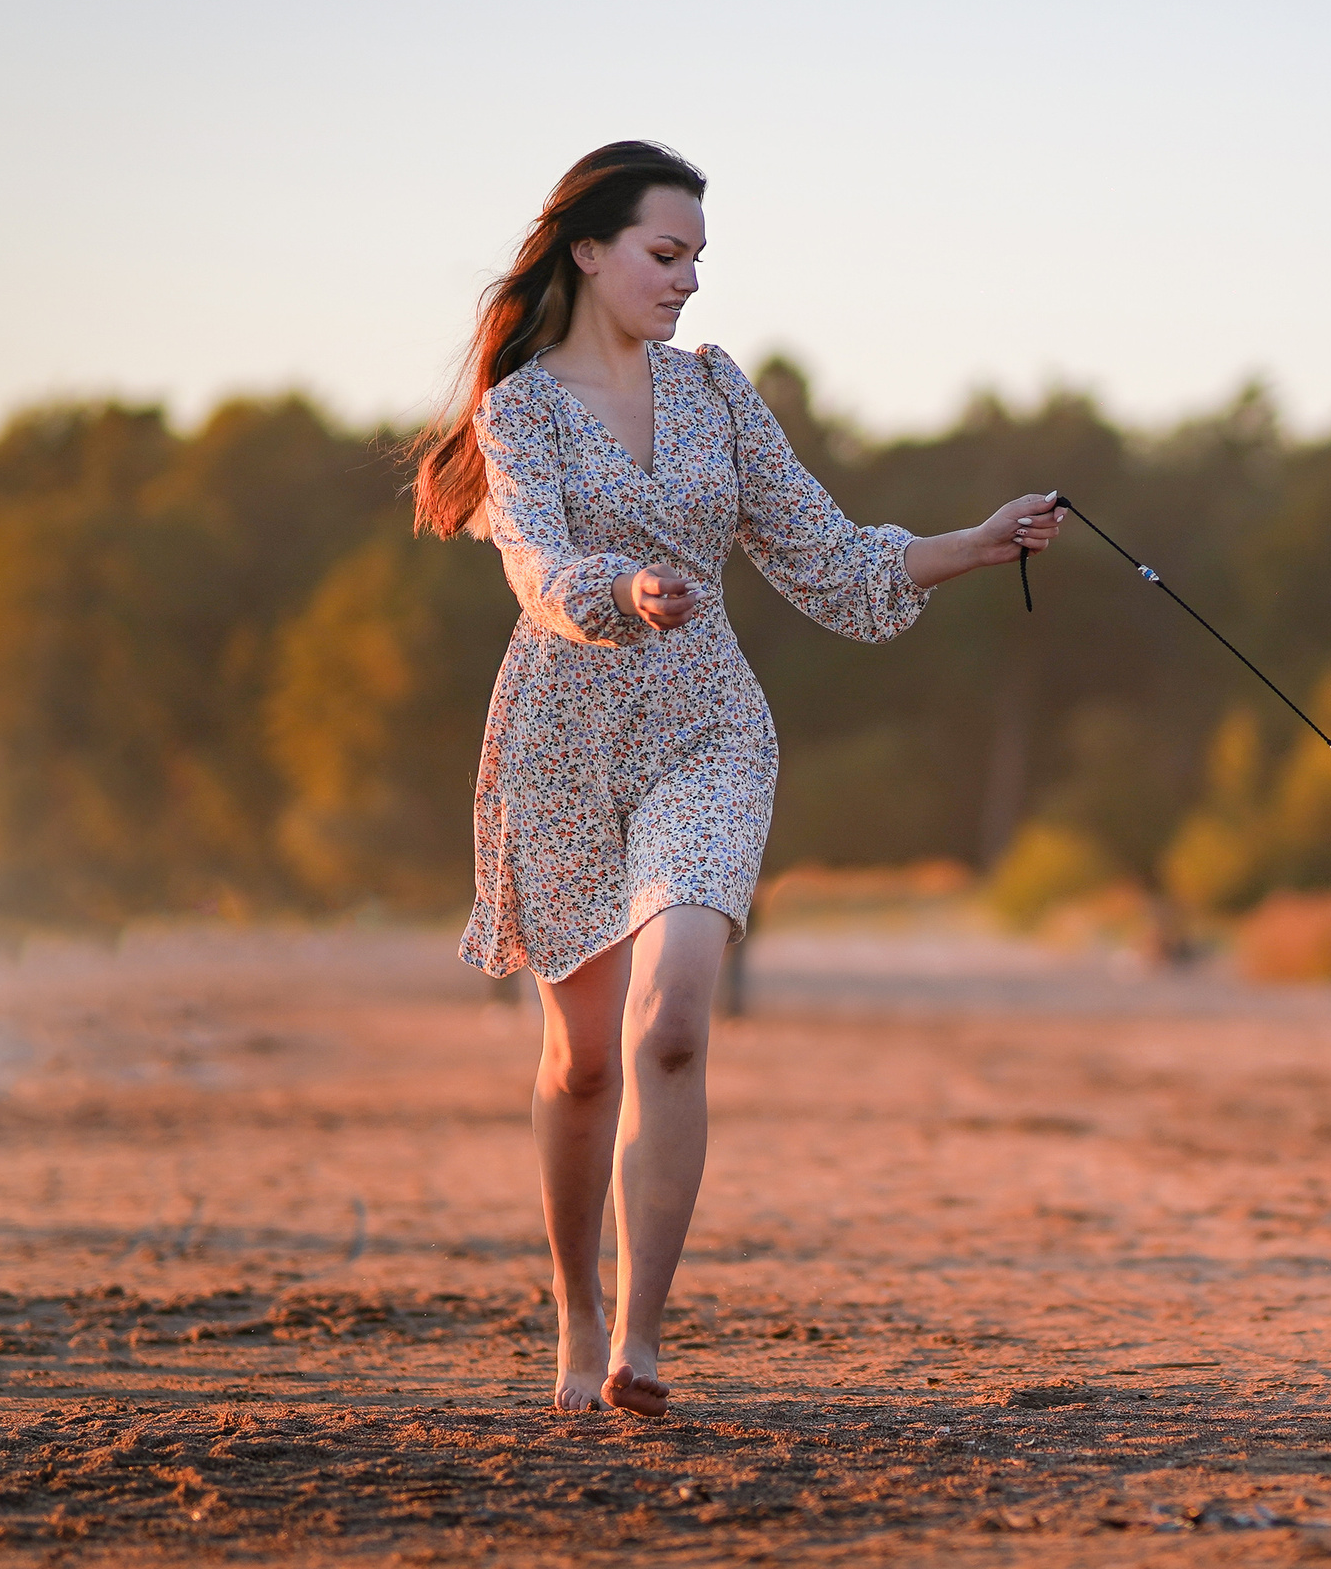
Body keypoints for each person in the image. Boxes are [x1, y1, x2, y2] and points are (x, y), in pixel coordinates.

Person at [409, 140, 1063, 1414]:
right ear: (588, 252)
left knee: (673, 1025)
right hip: (561, 745)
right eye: (667, 254)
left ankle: (641, 1342)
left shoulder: (714, 394)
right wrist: (621, 587)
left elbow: (825, 555)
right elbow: (537, 564)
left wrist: (972, 548)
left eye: (699, 259)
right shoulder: (523, 408)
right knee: (582, 1060)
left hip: (710, 730)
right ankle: (577, 1308)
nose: (689, 281)